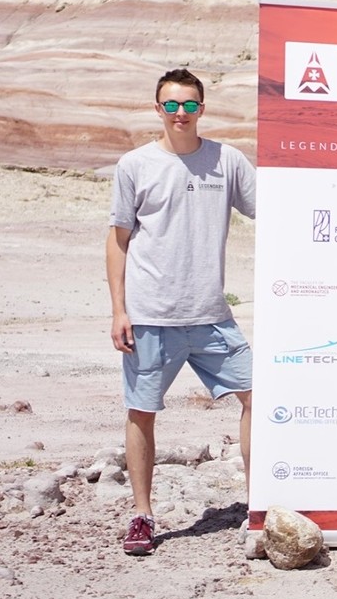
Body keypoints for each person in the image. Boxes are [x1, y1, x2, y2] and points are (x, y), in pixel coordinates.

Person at [107, 68, 257, 555]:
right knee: (142, 412)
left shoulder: (227, 160)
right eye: (171, 105)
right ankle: (143, 516)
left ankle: (258, 507)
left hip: (212, 315)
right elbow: (118, 241)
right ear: (158, 109)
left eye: (189, 104)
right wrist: (119, 310)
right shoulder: (135, 165)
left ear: (202, 109)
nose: (180, 113)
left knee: (259, 397)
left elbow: (274, 210)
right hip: (151, 315)